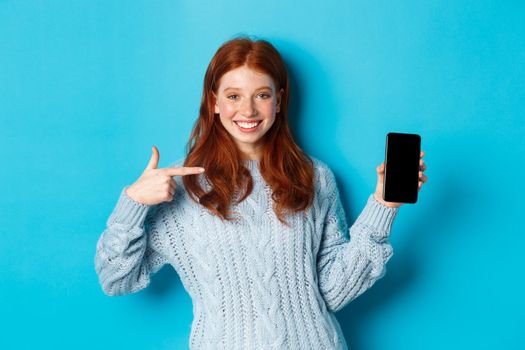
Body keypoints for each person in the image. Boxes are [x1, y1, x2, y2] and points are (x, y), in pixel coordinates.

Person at [94, 36, 428, 350]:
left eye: (262, 95)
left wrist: (383, 206)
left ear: (279, 100)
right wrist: (133, 203)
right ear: (214, 102)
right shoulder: (183, 185)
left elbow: (332, 292)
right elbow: (116, 280)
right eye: (234, 96)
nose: (249, 111)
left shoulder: (314, 177)